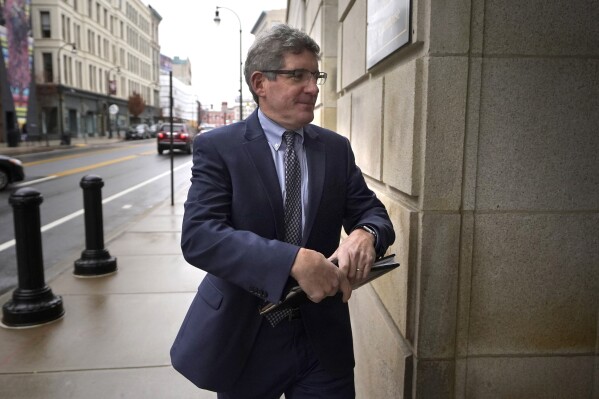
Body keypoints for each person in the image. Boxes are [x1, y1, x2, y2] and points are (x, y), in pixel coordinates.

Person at [171, 24, 395, 398]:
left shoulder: (335, 149)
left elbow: (372, 213)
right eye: (298, 75)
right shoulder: (219, 149)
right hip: (246, 337)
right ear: (261, 83)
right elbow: (200, 237)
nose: (313, 87)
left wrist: (365, 234)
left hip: (322, 342)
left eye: (315, 75)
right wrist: (291, 261)